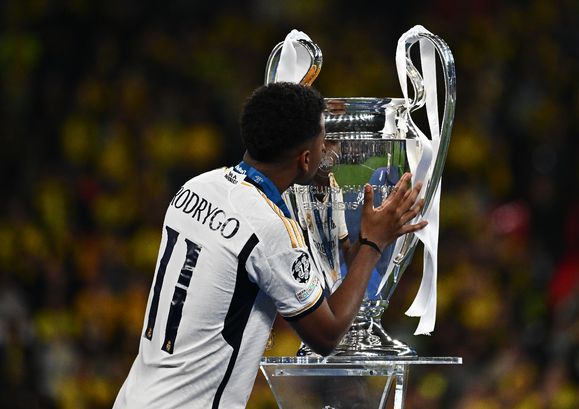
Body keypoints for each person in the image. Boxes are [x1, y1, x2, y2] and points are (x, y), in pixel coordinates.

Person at [112, 82, 427, 409]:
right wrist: (374, 242)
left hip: (134, 397)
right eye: (324, 142)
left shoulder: (195, 187)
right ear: (306, 160)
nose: (330, 151)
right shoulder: (268, 227)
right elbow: (327, 335)